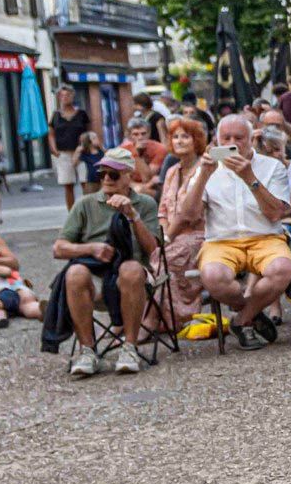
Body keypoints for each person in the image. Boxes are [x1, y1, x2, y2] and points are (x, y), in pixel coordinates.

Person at [181, 115, 291, 350]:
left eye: (239, 138)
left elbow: (276, 214)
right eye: (227, 138)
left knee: (282, 269)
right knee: (213, 276)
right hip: (222, 240)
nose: (233, 142)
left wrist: (250, 178)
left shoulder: (271, 166)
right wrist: (203, 175)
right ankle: (252, 311)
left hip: (265, 236)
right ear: (217, 140)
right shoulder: (205, 169)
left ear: (251, 140)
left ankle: (242, 320)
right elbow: (190, 216)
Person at [52, 148, 161, 376]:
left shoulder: (146, 204)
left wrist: (133, 216)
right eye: (102, 174)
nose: (106, 180)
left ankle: (129, 347)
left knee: (130, 268)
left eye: (113, 175)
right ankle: (87, 350)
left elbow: (153, 251)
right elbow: (59, 248)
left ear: (129, 175)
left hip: (133, 272)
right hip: (95, 272)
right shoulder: (86, 204)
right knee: (74, 273)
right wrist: (91, 248)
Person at [150, 116, 210, 332]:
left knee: (167, 260)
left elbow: (193, 215)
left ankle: (173, 318)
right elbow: (163, 210)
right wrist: (167, 233)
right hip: (173, 236)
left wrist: (169, 239)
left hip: (199, 234)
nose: (180, 141)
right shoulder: (172, 171)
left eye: (185, 136)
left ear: (196, 140)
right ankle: (158, 316)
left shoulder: (206, 169)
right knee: (156, 261)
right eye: (175, 137)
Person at [49, 86, 92, 209]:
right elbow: (51, 134)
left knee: (86, 183)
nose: (65, 98)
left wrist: (87, 147)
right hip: (64, 153)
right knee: (68, 184)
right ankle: (72, 214)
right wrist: (54, 149)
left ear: (73, 96)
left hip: (82, 152)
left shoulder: (81, 114)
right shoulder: (56, 115)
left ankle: (88, 211)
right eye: (62, 96)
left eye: (67, 95)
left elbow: (90, 132)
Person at [124, 118, 168, 197]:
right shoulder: (123, 150)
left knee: (139, 191)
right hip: (132, 186)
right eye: (136, 134)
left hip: (154, 188)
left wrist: (137, 154)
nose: (140, 137)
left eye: (143, 134)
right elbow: (123, 178)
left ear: (149, 134)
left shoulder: (160, 149)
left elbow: (146, 178)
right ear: (130, 136)